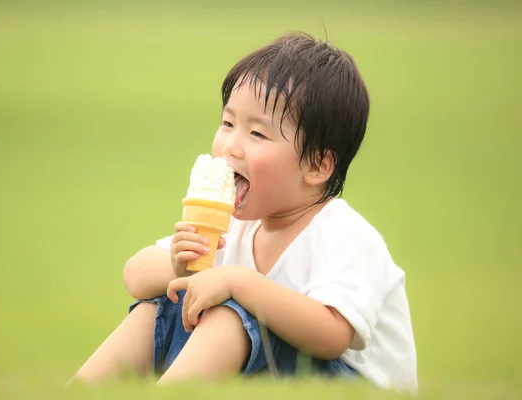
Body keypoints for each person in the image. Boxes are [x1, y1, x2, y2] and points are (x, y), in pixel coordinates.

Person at [70, 32, 418, 392]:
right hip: (276, 370)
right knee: (160, 308)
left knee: (230, 316)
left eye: (257, 134)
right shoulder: (233, 226)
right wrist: (178, 265)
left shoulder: (344, 235)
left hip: (350, 386)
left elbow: (332, 335)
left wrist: (238, 282)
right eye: (228, 123)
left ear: (316, 164)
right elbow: (135, 276)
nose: (230, 147)